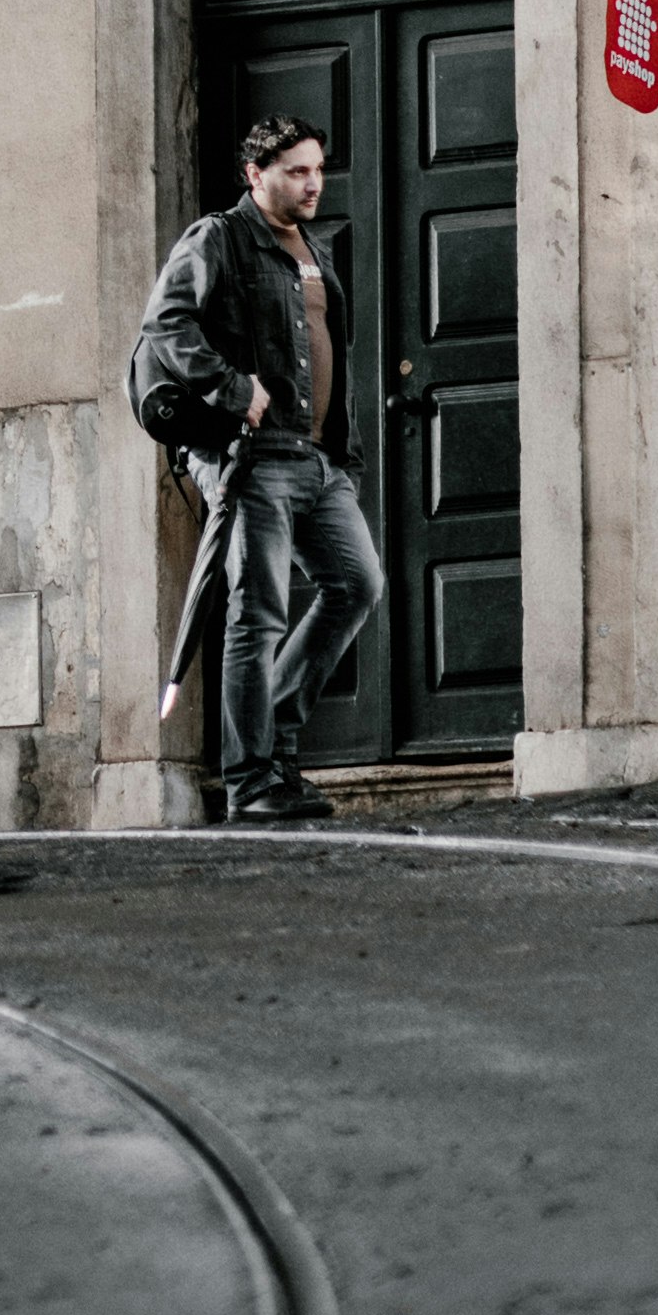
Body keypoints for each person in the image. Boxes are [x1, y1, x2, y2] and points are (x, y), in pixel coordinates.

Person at [130, 114, 381, 825]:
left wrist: (344, 454)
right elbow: (165, 323)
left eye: (316, 169)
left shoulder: (315, 249)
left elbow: (334, 351)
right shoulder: (218, 238)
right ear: (254, 175)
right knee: (258, 613)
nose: (312, 183)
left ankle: (274, 741)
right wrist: (233, 388)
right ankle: (251, 779)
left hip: (317, 460)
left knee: (356, 584)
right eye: (295, 171)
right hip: (251, 461)